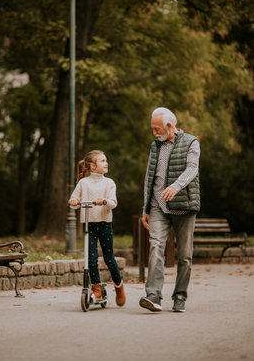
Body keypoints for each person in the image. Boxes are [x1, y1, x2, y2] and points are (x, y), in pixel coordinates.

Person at [139, 107, 200, 313]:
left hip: (183, 206)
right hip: (158, 205)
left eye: (157, 129)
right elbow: (150, 176)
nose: (154, 133)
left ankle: (180, 296)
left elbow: (192, 168)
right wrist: (145, 207)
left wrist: (176, 186)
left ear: (169, 126)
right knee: (156, 246)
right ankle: (153, 295)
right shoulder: (155, 145)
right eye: (152, 129)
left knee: (184, 255)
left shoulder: (191, 142)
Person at [68, 149, 126, 306]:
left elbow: (113, 203)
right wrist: (73, 202)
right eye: (102, 161)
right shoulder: (83, 183)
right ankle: (96, 289)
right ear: (92, 166)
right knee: (91, 260)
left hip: (105, 224)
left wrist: (105, 201)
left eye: (106, 160)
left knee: (109, 259)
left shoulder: (109, 183)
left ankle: (119, 286)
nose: (106, 163)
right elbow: (74, 199)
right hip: (89, 225)